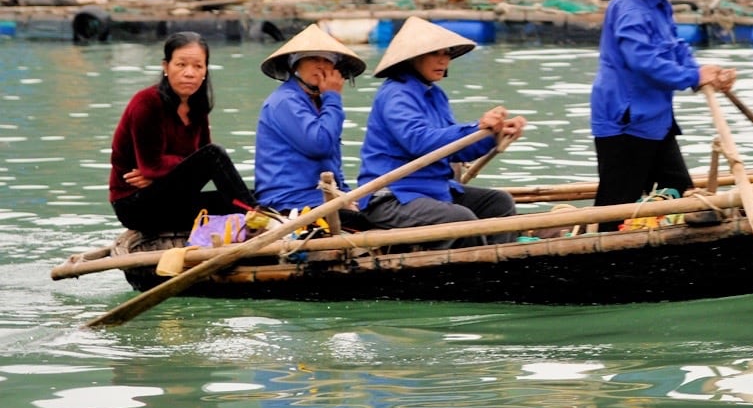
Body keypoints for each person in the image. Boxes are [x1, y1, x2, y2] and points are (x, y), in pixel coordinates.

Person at [590, 0, 737, 228]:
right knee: (616, 204)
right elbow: (644, 61)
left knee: (680, 192)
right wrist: (693, 77)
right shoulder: (631, 9)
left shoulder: (657, 2)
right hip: (626, 119)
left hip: (655, 117)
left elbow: (675, 46)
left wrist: (702, 72)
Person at [355, 17, 526, 246]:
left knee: (499, 202)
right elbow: (419, 141)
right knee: (459, 219)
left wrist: (493, 134)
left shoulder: (436, 95)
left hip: (436, 190)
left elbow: (455, 149)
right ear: (413, 57)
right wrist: (477, 126)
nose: (443, 60)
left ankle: (499, 263)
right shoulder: (397, 95)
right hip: (393, 197)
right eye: (435, 54)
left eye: (446, 54)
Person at [109, 31, 256, 233]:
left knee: (256, 195)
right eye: (181, 64)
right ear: (165, 67)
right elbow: (154, 166)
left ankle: (259, 214)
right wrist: (180, 167)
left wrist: (165, 174)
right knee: (214, 155)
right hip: (136, 206)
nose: (190, 73)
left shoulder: (197, 106)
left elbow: (198, 165)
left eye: (198, 66)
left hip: (173, 198)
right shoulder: (146, 103)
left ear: (205, 70)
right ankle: (259, 219)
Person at [252, 24, 369, 226]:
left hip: (319, 198)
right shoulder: (285, 101)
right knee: (365, 221)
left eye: (327, 61)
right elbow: (319, 144)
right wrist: (333, 97)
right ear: (296, 64)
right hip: (290, 201)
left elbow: (332, 162)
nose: (321, 66)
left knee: (368, 209)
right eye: (314, 59)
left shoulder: (319, 102)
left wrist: (348, 196)